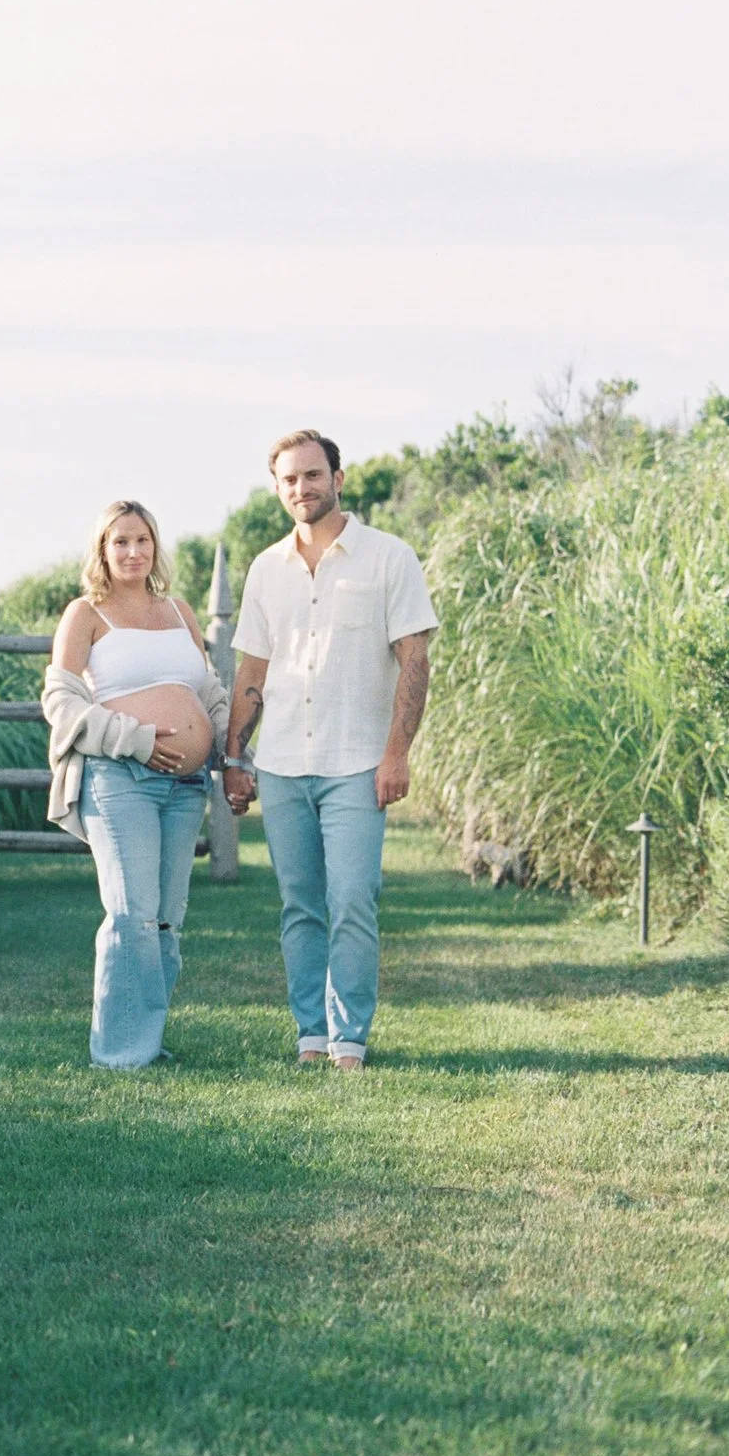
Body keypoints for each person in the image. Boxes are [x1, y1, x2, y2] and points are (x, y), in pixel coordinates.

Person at [222, 429, 437, 1072]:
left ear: (337, 479)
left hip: (356, 761)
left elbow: (415, 662)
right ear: (278, 488)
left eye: (312, 476)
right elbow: (251, 673)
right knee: (300, 906)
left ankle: (350, 1040)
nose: (301, 489)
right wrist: (237, 759)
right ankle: (310, 1037)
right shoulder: (265, 568)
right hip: (284, 763)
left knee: (351, 901)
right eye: (289, 479)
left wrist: (396, 754)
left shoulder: (388, 558)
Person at [43, 500, 231, 1070]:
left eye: (142, 540)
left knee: (167, 917)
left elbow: (210, 695)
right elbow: (61, 701)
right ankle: (120, 1053)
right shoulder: (86, 613)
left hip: (184, 786)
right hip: (118, 777)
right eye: (120, 541)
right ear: (102, 549)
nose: (132, 552)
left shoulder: (179, 612)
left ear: (156, 546)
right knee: (131, 912)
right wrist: (139, 741)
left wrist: (231, 754)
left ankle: (145, 1039)